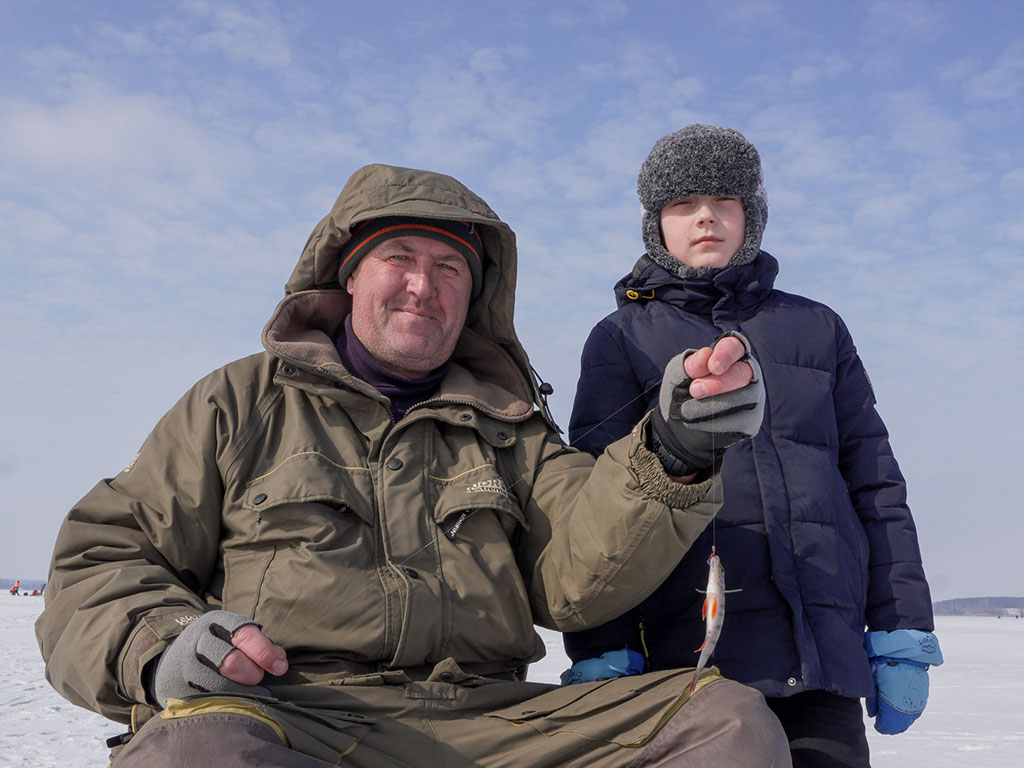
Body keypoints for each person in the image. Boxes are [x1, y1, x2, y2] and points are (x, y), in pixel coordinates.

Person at [36, 163, 790, 767]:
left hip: (495, 723)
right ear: (350, 277)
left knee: (721, 721)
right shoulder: (238, 401)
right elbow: (106, 556)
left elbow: (577, 578)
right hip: (295, 716)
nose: (423, 286)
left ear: (475, 296)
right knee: (193, 750)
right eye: (398, 259)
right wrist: (160, 642)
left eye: (450, 269)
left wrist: (675, 451)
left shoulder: (512, 427)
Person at [560, 125, 943, 768]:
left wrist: (901, 628)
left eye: (724, 201)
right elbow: (593, 495)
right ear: (657, 223)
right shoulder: (619, 338)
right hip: (686, 661)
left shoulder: (819, 327)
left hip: (819, 653)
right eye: (682, 204)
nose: (705, 217)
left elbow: (875, 484)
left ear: (751, 216)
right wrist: (602, 643)